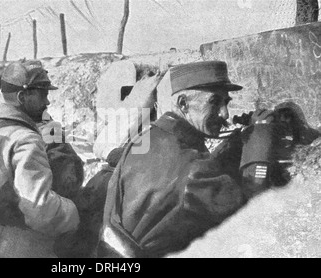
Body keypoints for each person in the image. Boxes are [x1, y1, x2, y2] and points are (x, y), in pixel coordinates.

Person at [96, 61, 285, 258]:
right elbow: (252, 211)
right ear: (183, 104)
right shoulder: (193, 171)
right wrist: (260, 139)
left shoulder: (146, 140)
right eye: (214, 102)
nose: (225, 113)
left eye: (226, 102)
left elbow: (190, 175)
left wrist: (237, 144)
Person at [0, 60, 79, 258]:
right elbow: (40, 210)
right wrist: (74, 212)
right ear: (22, 96)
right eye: (43, 94)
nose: (48, 102)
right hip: (12, 247)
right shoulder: (26, 139)